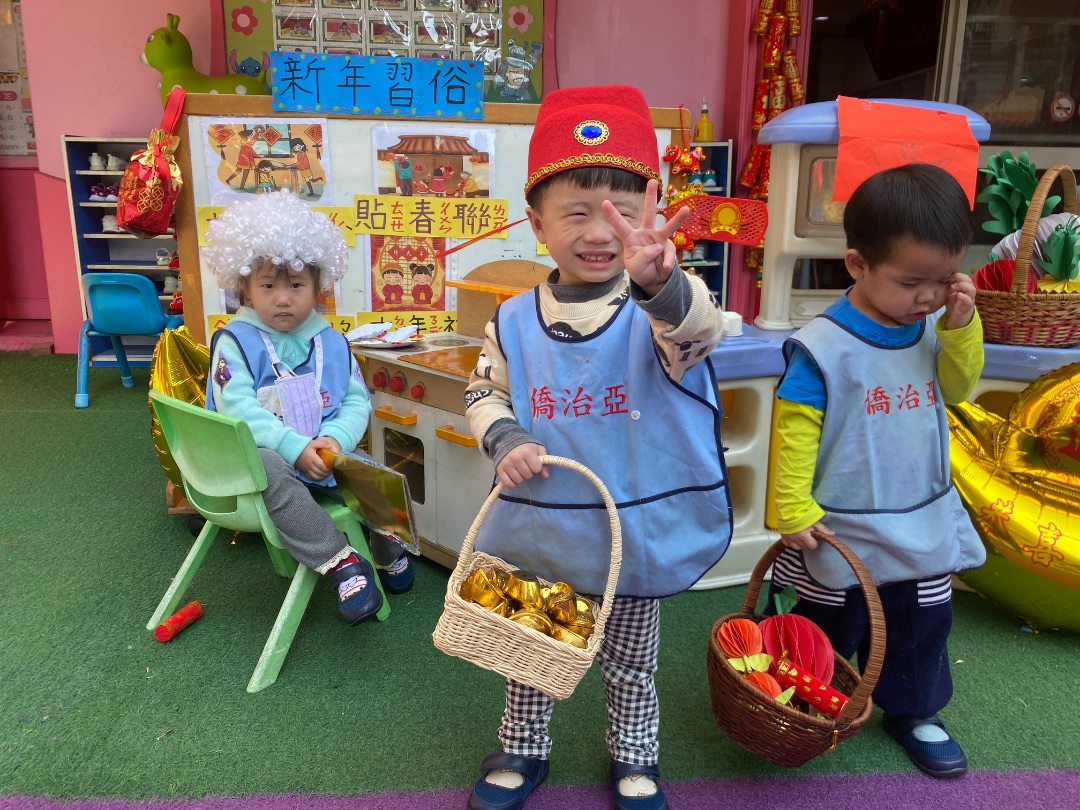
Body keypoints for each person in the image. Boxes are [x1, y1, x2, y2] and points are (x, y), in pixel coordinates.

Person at [462, 85, 732, 810]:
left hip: (631, 532)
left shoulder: (661, 305)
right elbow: (484, 392)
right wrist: (504, 436)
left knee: (631, 665)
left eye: (622, 212)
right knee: (530, 653)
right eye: (577, 212)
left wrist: (663, 283)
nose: (600, 232)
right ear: (536, 223)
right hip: (541, 528)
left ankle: (634, 757)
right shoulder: (511, 319)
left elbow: (700, 338)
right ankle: (523, 748)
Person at [768, 163, 987, 778]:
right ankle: (808, 703)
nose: (929, 297)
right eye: (912, 282)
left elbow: (959, 389)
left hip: (921, 515)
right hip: (838, 524)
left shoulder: (935, 326)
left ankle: (914, 710)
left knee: (921, 621)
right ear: (857, 264)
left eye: (943, 279)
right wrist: (792, 508)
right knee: (828, 623)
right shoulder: (822, 346)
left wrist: (961, 326)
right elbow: (794, 432)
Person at [202, 190, 415, 626]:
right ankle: (340, 562)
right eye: (268, 286)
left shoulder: (333, 342)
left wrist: (334, 440)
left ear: (319, 289)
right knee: (267, 466)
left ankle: (385, 544)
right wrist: (293, 447)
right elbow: (237, 410)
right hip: (261, 460)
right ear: (245, 289)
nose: (283, 299)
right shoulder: (235, 341)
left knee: (372, 473)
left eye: (296, 285)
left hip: (322, 453)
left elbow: (355, 399)